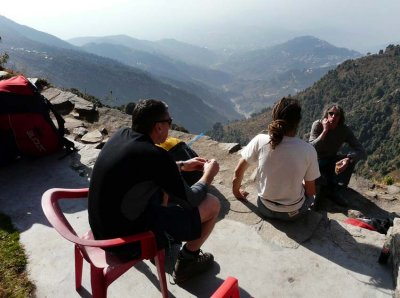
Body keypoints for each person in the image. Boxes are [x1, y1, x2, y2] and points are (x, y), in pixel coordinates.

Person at [88, 99, 220, 283]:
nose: (170, 126)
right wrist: (208, 175)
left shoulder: (122, 135)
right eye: (169, 122)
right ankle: (187, 261)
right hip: (125, 243)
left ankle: (165, 240)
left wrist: (181, 165)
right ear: (158, 127)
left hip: (101, 228)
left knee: (160, 188)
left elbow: (145, 169)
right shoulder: (156, 156)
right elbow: (191, 199)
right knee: (212, 203)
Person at [232, 97, 320, 221]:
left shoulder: (260, 140)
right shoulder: (308, 150)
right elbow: (311, 192)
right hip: (293, 213)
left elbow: (238, 172)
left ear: (274, 117)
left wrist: (237, 193)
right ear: (298, 122)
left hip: (264, 208)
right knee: (311, 195)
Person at [309, 103, 366, 206]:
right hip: (315, 161)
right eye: (331, 113)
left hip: (331, 160)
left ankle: (337, 189)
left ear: (340, 117)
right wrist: (324, 131)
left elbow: (361, 150)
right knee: (317, 197)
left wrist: (348, 159)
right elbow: (311, 147)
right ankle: (323, 188)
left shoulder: (344, 130)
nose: (333, 116)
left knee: (349, 160)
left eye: (337, 114)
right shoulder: (317, 125)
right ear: (326, 115)